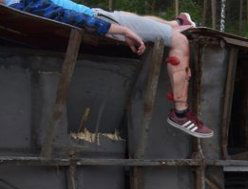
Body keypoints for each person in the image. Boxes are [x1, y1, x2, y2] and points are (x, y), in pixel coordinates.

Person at [4, 0, 213, 138]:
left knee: (141, 23)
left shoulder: (18, 5)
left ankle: (176, 22)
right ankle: (181, 112)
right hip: (101, 20)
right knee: (179, 40)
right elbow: (72, 18)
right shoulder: (25, 5)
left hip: (100, 16)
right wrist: (119, 30)